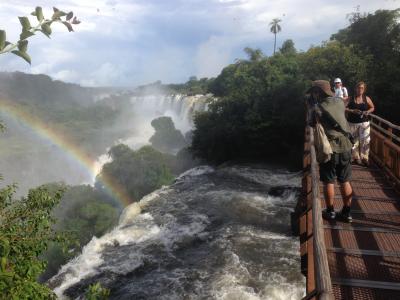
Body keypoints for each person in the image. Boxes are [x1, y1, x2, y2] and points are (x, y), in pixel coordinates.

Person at [307, 80, 353, 222]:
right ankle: (347, 212)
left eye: (315, 91)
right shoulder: (339, 102)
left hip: (330, 149)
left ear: (318, 92)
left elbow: (311, 123)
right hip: (346, 145)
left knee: (329, 181)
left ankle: (331, 211)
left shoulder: (317, 108)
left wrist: (311, 107)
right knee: (345, 180)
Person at [346, 81, 375, 166]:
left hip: (364, 123)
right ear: (356, 89)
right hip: (352, 123)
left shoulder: (367, 98)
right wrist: (352, 110)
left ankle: (365, 158)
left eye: (362, 88)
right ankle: (356, 158)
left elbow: (372, 107)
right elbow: (344, 108)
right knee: (354, 141)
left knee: (365, 140)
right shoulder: (350, 98)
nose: (360, 90)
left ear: (364, 89)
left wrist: (367, 112)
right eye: (359, 88)